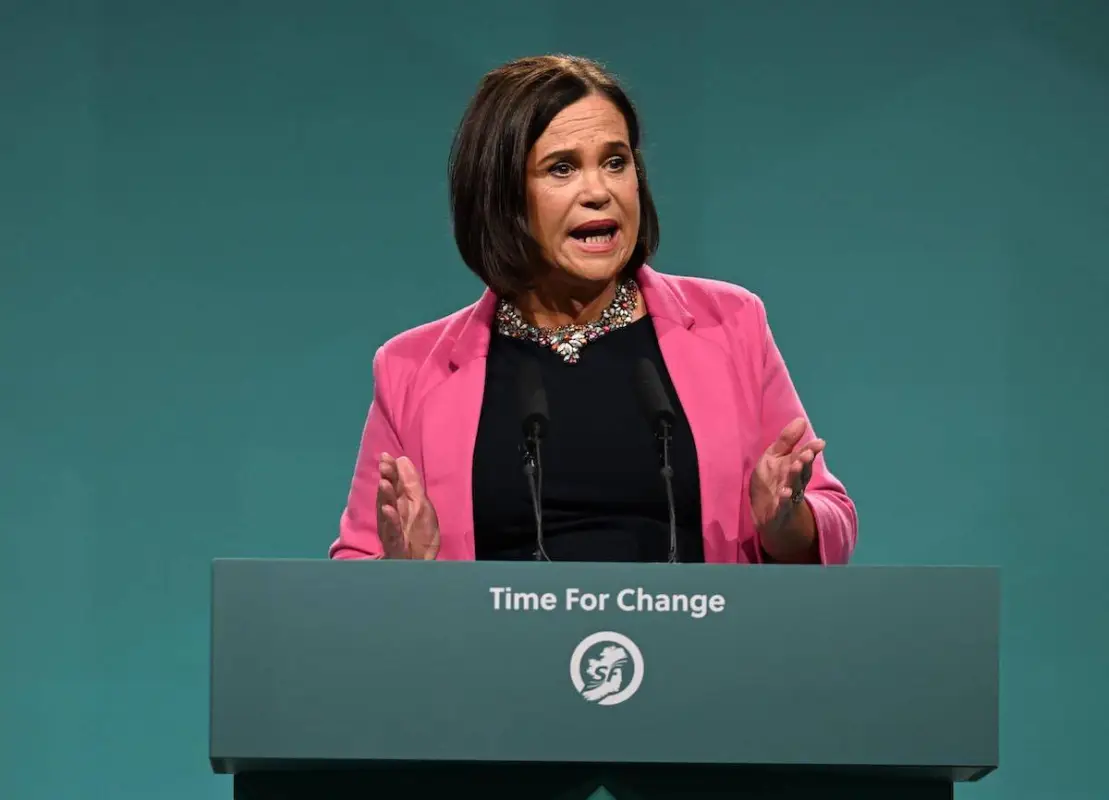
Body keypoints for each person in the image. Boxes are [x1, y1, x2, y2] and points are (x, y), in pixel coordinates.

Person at [329, 54, 857, 565]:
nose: (599, 191)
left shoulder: (731, 323)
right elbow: (358, 566)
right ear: (502, 196)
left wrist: (786, 523)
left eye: (615, 162)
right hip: (493, 632)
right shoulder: (410, 369)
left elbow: (829, 517)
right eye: (561, 168)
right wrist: (402, 571)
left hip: (693, 629)